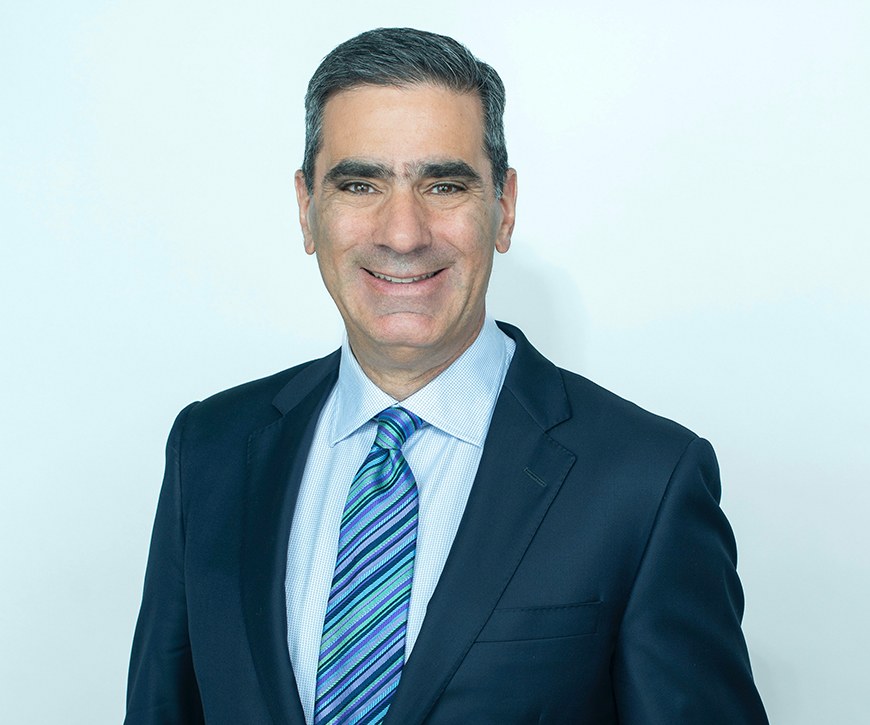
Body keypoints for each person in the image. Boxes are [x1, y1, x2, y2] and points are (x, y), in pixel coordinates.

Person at [125, 27, 768, 725]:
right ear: (307, 209)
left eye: (445, 184)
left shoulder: (646, 481)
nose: (403, 233)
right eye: (360, 184)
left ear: (504, 206)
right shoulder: (210, 450)